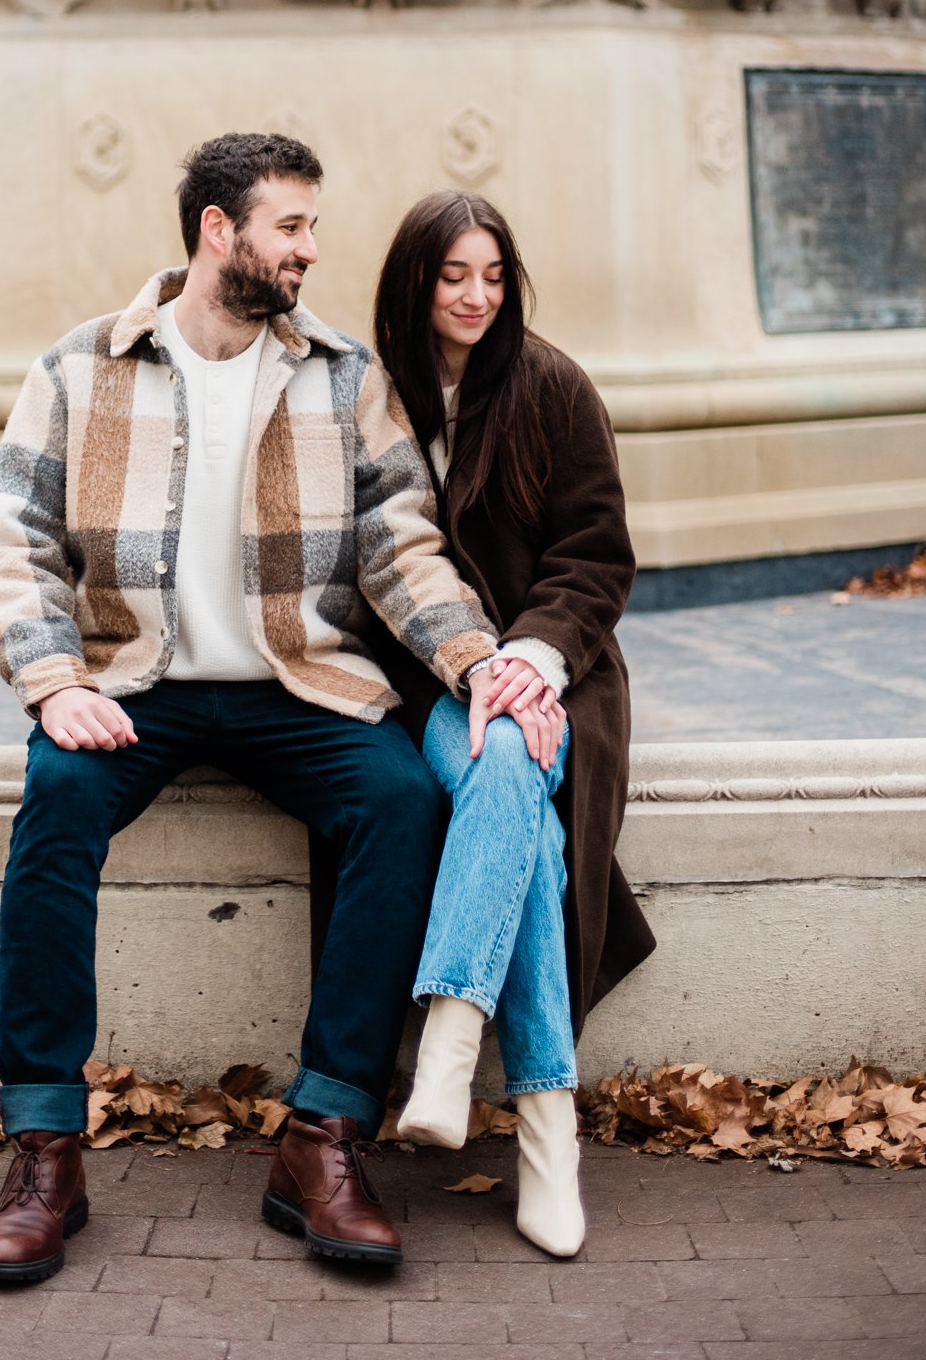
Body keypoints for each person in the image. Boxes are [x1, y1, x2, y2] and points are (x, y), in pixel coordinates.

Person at [0, 133, 506, 1285]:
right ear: (221, 232)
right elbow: (13, 540)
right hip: (131, 685)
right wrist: (55, 683)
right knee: (55, 805)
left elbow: (399, 548)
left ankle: (320, 1136)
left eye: (311, 226)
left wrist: (474, 660)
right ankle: (45, 1150)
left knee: (402, 802)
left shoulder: (339, 375)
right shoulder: (79, 369)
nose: (311, 250)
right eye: (292, 226)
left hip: (292, 683)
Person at [371, 190, 655, 1258]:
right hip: (428, 684)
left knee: (507, 754)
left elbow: (597, 552)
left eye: (492, 276)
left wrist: (532, 660)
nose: (476, 296)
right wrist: (469, 666)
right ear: (415, 280)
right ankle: (548, 1134)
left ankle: (450, 1037)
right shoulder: (372, 394)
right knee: (520, 817)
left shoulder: (549, 385)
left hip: (555, 678)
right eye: (454, 276)